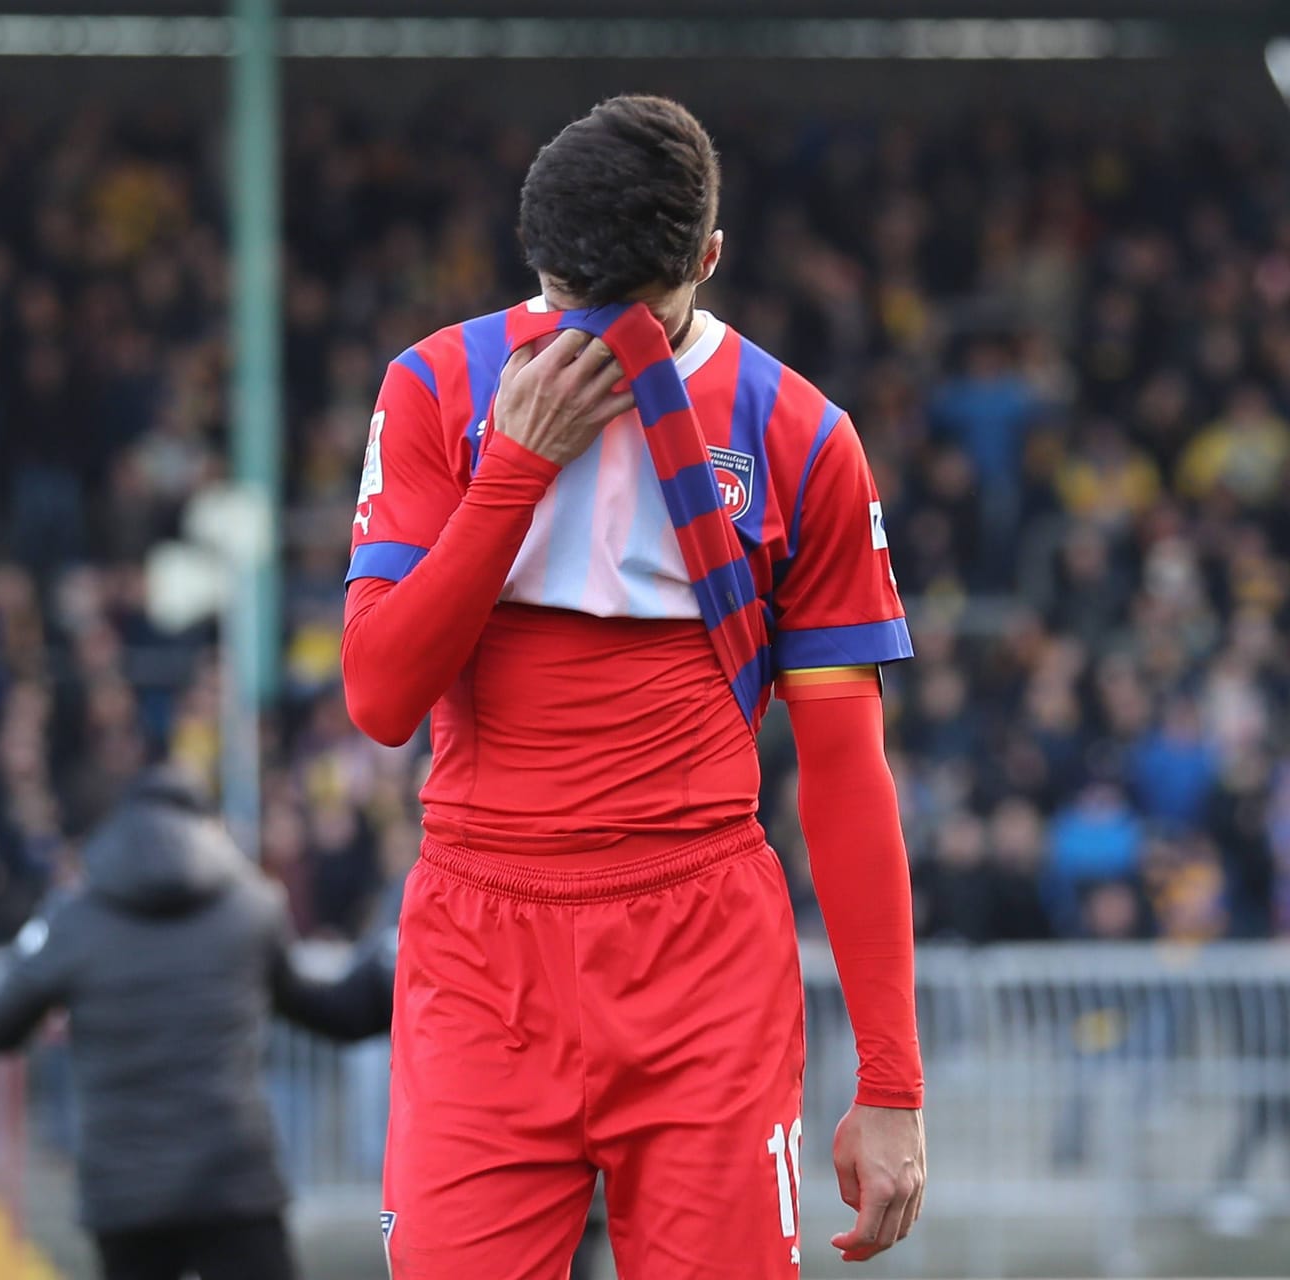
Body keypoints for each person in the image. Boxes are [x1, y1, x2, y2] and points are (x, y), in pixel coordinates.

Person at [342, 95, 925, 1278]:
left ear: (710, 262)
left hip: (699, 949)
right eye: (573, 310)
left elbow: (848, 770)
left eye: (640, 320)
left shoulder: (802, 435)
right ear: (536, 264)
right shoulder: (437, 388)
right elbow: (382, 697)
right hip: (481, 946)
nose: (603, 348)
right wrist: (514, 468)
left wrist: (892, 1081)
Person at [0, 765, 392, 1280]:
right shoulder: (252, 908)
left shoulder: (74, 921)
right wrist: (394, 964)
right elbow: (332, 1014)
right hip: (234, 1180)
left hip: (126, 1193)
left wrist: (33, 955)